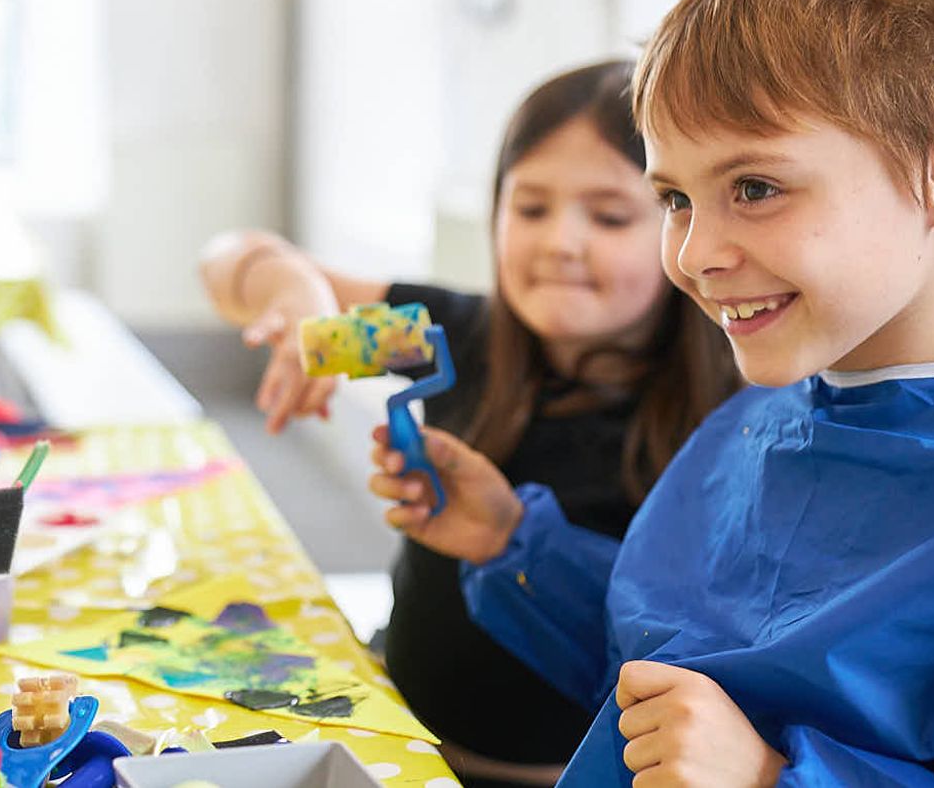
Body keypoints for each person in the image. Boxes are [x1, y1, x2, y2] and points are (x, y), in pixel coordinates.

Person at [371, 0, 934, 784]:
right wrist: (511, 543)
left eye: (754, 187)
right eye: (676, 198)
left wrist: (770, 776)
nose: (693, 254)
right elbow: (654, 674)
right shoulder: (752, 426)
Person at [200, 61, 740, 786]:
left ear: (680, 226)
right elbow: (228, 262)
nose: (560, 242)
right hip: (405, 750)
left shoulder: (729, 409)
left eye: (610, 216)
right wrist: (300, 298)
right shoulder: (445, 336)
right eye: (531, 208)